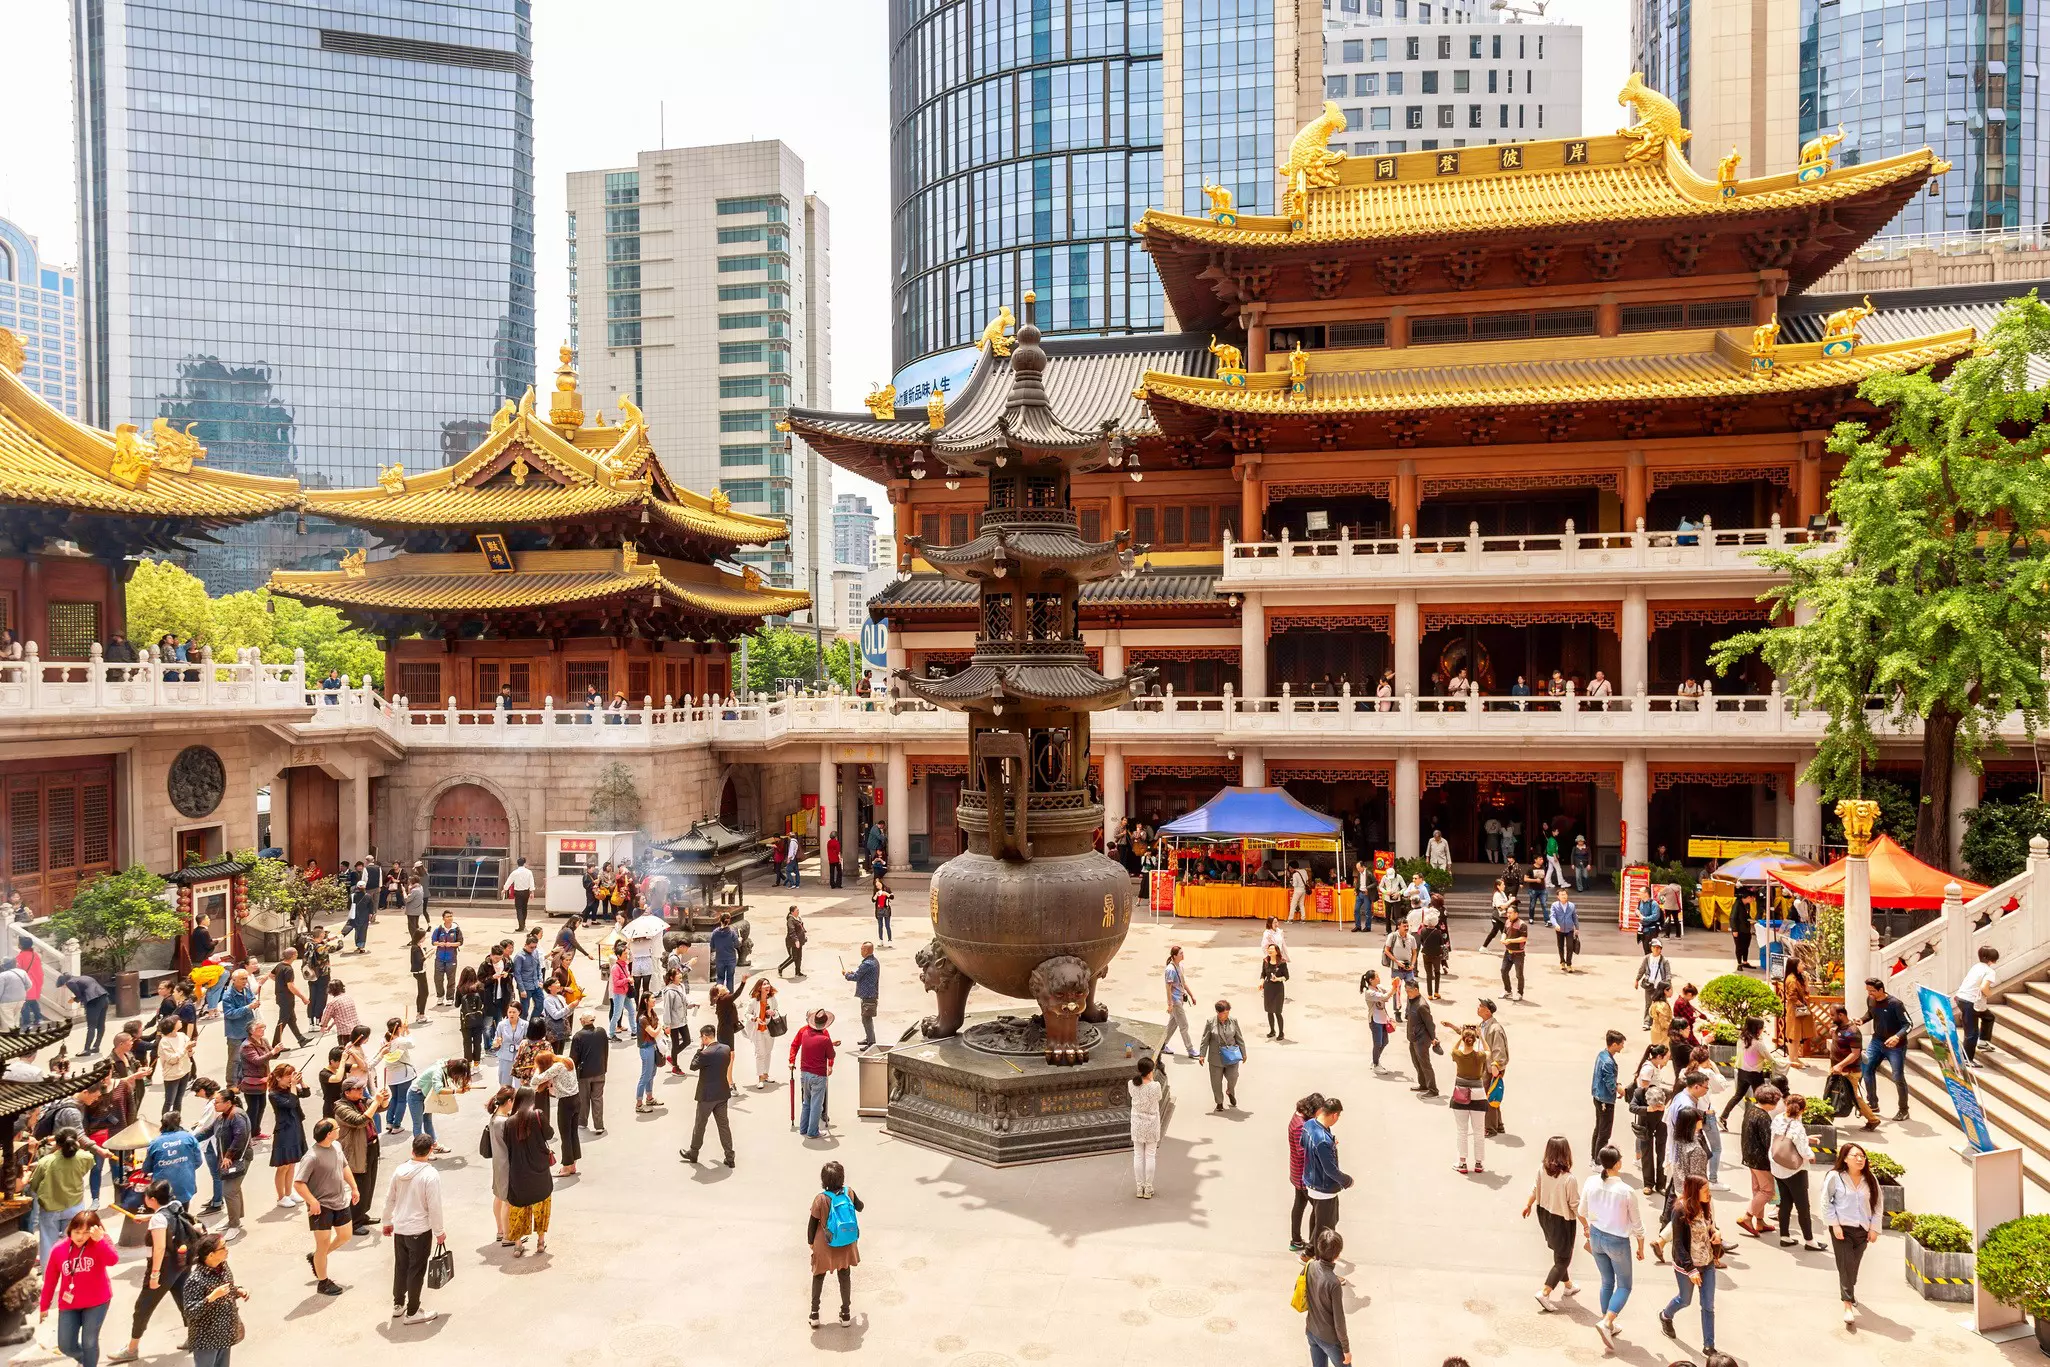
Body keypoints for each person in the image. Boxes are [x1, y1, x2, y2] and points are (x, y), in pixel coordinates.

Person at [1578, 1144, 1644, 1352]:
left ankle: (1607, 1322)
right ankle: (1607, 1322)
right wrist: (1641, 1246)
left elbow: (1581, 1211)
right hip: (1617, 1241)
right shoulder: (1626, 1191)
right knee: (1624, 1286)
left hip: (1596, 1236)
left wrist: (1588, 1228)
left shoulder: (1591, 1182)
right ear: (1617, 1164)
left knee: (1607, 1281)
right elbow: (1637, 1224)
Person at [380, 1132, 445, 1324]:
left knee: (401, 1267)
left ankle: (398, 1304)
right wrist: (439, 1231)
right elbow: (434, 1206)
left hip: (400, 1228)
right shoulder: (430, 1175)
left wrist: (386, 1221)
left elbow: (389, 1198)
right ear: (431, 1150)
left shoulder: (400, 1171)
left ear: (412, 1150)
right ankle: (413, 1310)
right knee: (416, 1270)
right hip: (419, 1229)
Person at [40, 1209, 118, 1367]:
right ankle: (87, 1360)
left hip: (97, 1301)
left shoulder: (100, 1242)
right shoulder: (59, 1249)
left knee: (89, 1342)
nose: (81, 1237)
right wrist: (44, 1305)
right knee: (66, 1345)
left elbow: (112, 1260)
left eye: (86, 1232)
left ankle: (90, 1362)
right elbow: (50, 1280)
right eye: (77, 1232)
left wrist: (101, 1240)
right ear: (70, 1230)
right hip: (70, 1303)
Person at [1824, 1140, 1884, 1328]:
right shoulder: (1835, 1177)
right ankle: (1847, 1304)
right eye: (1855, 1156)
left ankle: (1849, 1289)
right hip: (1842, 1229)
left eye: (1862, 1156)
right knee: (1845, 1264)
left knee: (1853, 1266)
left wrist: (1874, 1228)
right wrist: (1835, 1225)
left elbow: (1878, 1204)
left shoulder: (1870, 1179)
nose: (1860, 1159)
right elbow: (1826, 1202)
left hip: (1862, 1229)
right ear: (1845, 1158)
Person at [294, 1118, 355, 1296]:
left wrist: (354, 1187)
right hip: (321, 1207)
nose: (339, 1129)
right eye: (336, 1128)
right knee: (323, 1244)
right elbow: (299, 1184)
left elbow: (344, 1167)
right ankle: (323, 1282)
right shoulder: (311, 1157)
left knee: (345, 1235)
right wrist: (312, 1201)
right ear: (328, 1134)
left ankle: (316, 1258)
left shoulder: (336, 1147)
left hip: (340, 1201)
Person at [1660, 1174, 1720, 1355]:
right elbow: (1678, 1244)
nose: (1709, 1194)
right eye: (1705, 1191)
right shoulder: (1680, 1210)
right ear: (1694, 1192)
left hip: (1707, 1263)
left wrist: (1716, 1232)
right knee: (1685, 1300)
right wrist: (1691, 1269)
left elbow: (1711, 1226)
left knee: (1708, 1305)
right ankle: (1665, 1315)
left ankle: (1709, 1345)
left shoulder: (1706, 1206)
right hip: (1688, 1266)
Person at [1524, 1135, 1581, 1311]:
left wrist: (1528, 1205)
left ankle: (1569, 1285)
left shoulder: (1542, 1169)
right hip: (1563, 1220)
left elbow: (1535, 1188)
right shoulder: (1569, 1179)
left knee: (1559, 1251)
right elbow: (1575, 1205)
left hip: (1544, 1214)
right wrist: (1587, 1225)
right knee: (1564, 1258)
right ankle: (1545, 1292)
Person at [808, 1160, 863, 1328]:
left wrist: (811, 1243)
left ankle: (814, 1314)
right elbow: (860, 1207)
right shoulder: (849, 1192)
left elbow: (812, 1225)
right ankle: (845, 1314)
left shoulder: (820, 1199)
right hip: (846, 1244)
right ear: (842, 1178)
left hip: (825, 1244)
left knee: (818, 1276)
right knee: (844, 1276)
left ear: (823, 1180)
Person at [501, 1086, 554, 1257]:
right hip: (539, 1169)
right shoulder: (537, 1115)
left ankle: (518, 1245)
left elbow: (507, 1146)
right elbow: (549, 1134)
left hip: (518, 1171)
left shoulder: (509, 1122)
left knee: (518, 1208)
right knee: (542, 1205)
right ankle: (540, 1242)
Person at [333, 1077, 389, 1234]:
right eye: (357, 1089)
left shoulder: (362, 1101)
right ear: (347, 1092)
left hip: (370, 1147)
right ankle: (353, 1222)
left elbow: (381, 1108)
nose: (361, 1091)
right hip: (356, 1152)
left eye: (361, 1089)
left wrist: (383, 1099)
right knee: (359, 1186)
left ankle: (362, 1214)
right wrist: (376, 1102)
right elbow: (359, 1121)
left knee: (369, 1184)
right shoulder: (341, 1107)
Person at [1770, 1094, 1824, 1249]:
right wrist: (1811, 1155)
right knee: (1803, 1207)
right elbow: (1804, 1151)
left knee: (1784, 1203)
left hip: (1777, 1167)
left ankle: (1785, 1236)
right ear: (1803, 1110)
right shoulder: (1797, 1126)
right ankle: (1809, 1241)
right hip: (1794, 1171)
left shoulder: (1778, 1119)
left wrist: (1806, 1138)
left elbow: (1783, 1139)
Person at [681, 1023, 737, 1166]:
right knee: (724, 1125)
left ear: (705, 1037)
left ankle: (693, 1153)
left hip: (706, 1096)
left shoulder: (706, 1053)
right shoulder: (726, 1049)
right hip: (722, 1093)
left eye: (701, 1037)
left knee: (700, 1125)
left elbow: (693, 1066)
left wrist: (699, 1049)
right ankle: (730, 1157)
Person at [1299, 1098, 1352, 1248]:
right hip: (1324, 1187)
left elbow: (1303, 1144)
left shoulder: (1309, 1125)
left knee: (1317, 1218)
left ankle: (1310, 1250)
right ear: (1334, 1115)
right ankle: (1315, 1254)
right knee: (1326, 1226)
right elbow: (1330, 1170)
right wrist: (1347, 1180)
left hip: (1311, 1181)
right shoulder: (1323, 1139)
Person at [1858, 977, 1913, 1121]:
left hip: (1896, 1047)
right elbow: (1870, 1013)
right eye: (1868, 991)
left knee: (1897, 1077)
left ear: (1881, 990)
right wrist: (1862, 1020)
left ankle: (1903, 1110)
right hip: (1877, 1041)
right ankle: (1873, 1103)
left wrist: (1897, 1037)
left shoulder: (1896, 1004)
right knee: (1866, 1068)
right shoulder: (1871, 1000)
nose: (1869, 994)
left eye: (1872, 991)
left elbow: (1908, 1025)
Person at [1825, 1004, 1884, 1129]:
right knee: (1835, 1093)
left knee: (1852, 1096)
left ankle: (1873, 1120)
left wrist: (1840, 1065)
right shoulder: (1840, 1027)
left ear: (1841, 1015)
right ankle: (1827, 1118)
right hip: (1837, 1069)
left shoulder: (1852, 1032)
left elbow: (1855, 1053)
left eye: (1832, 1015)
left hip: (1849, 1071)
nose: (1831, 1018)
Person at [1735, 1083, 1781, 1238]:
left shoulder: (1751, 1110)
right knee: (1767, 1191)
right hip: (1760, 1159)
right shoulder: (1763, 1117)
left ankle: (1759, 1222)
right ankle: (1747, 1217)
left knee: (1757, 1189)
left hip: (1749, 1156)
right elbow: (1769, 1142)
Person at [1303, 1228, 1351, 1367]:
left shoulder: (1310, 1266)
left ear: (1318, 1246)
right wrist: (1346, 1349)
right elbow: (1339, 1320)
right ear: (1337, 1255)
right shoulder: (1333, 1283)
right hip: (1329, 1340)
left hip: (1311, 1331)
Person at [1447, 1024, 1491, 1174]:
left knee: (1462, 1130)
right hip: (1478, 1093)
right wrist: (1481, 1036)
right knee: (1479, 1131)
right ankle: (1478, 1163)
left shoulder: (1458, 1055)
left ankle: (1462, 1162)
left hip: (1461, 1092)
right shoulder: (1479, 1056)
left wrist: (1460, 1038)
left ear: (1464, 1040)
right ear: (1473, 1040)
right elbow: (1488, 1051)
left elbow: (1453, 1050)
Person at [265, 1063, 311, 1209]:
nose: (291, 1078)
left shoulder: (290, 1088)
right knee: (283, 1166)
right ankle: (281, 1196)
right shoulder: (274, 1094)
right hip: (284, 1130)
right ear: (278, 1077)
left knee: (292, 1163)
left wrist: (301, 1082)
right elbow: (290, 1103)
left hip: (296, 1125)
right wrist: (293, 1086)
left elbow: (306, 1093)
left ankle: (289, 1192)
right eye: (288, 1076)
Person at [143, 1111, 205, 1208]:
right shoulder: (189, 1137)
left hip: (162, 1191)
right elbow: (198, 1161)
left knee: (165, 1217)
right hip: (185, 1186)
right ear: (179, 1122)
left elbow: (146, 1169)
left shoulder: (155, 1143)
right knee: (183, 1217)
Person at [793, 1009, 836, 1138]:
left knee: (806, 1102)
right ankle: (812, 1131)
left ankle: (803, 1128)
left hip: (805, 1073)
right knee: (816, 1104)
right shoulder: (824, 1039)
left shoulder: (805, 1034)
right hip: (818, 1074)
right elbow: (831, 1054)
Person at [1197, 999, 1246, 1111]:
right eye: (1224, 1013)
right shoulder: (1210, 1022)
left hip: (1231, 1056)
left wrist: (1244, 1053)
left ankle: (1230, 1091)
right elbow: (1205, 1039)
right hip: (1216, 1057)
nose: (1226, 1015)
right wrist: (1202, 1055)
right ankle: (1219, 1102)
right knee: (1216, 1082)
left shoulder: (1233, 1021)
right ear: (1218, 1012)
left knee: (1233, 1076)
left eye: (1228, 1012)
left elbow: (1239, 1037)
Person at [1955, 944, 2001, 1062]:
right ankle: (1967, 1059)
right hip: (1971, 1002)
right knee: (1972, 1032)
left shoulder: (1976, 966)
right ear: (1993, 959)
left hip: (1962, 998)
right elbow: (1984, 988)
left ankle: (1983, 1042)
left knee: (1989, 1017)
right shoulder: (1989, 971)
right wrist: (1989, 994)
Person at [568, 1012, 609, 1135]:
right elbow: (605, 1050)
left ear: (583, 1021)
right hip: (599, 1070)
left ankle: (582, 1122)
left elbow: (573, 1058)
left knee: (583, 1098)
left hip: (584, 1073)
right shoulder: (601, 1032)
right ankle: (599, 1125)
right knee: (597, 1098)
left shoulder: (578, 1036)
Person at [1591, 1030, 1626, 1158]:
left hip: (1598, 1097)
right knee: (1604, 1133)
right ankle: (1599, 1161)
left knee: (1599, 1129)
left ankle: (1594, 1157)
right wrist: (1619, 1088)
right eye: (1621, 1043)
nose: (1623, 1046)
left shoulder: (1602, 1055)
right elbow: (1610, 1082)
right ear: (1614, 1044)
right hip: (1605, 1100)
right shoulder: (1608, 1062)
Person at [1405, 981, 1441, 1096]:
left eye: (1409, 991)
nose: (1407, 993)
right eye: (1406, 991)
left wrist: (1433, 1037)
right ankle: (1423, 1084)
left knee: (1425, 1064)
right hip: (1413, 1038)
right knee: (1417, 1062)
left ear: (1416, 990)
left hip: (1421, 1039)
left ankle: (1433, 1090)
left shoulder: (1422, 1005)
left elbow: (1430, 1023)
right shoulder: (1411, 1000)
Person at [1163, 946, 1196, 1056]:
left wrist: (1191, 995)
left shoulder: (1180, 966)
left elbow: (1183, 983)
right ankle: (1190, 1049)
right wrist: (1170, 1004)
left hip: (1180, 999)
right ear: (1174, 956)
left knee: (1173, 1024)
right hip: (1175, 1001)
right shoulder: (1170, 970)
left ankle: (1162, 1044)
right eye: (1181, 953)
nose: (1183, 955)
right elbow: (1168, 988)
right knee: (1184, 1025)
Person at [634, 994, 664, 1114]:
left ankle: (649, 1098)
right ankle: (639, 1103)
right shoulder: (643, 1018)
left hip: (653, 1046)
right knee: (645, 1075)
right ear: (646, 1001)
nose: (654, 1000)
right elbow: (653, 1033)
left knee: (652, 1073)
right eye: (652, 998)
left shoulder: (653, 1013)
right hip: (646, 1048)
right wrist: (660, 1028)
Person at [1634, 939, 1673, 1026]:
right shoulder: (1647, 958)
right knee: (1648, 1004)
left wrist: (1669, 986)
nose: (1657, 949)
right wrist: (1637, 980)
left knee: (1661, 1004)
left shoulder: (1664, 961)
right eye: (1655, 947)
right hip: (1649, 985)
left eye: (1659, 948)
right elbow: (1642, 970)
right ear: (1651, 948)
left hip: (1660, 987)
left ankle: (1660, 1022)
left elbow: (1668, 974)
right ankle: (1647, 1022)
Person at [1360, 971, 1393, 1071]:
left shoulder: (1378, 987)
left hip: (1382, 1019)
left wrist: (1395, 985)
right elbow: (1385, 996)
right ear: (1371, 980)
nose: (1379, 978)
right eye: (1377, 977)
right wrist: (1393, 989)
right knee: (1378, 1043)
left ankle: (1375, 1059)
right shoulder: (1369, 992)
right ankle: (1376, 1064)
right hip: (1375, 1020)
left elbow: (1389, 991)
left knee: (1385, 1041)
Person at [1259, 944, 1290, 1040]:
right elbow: (1263, 974)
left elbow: (1286, 977)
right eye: (1269, 949)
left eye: (1272, 949)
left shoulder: (1282, 963)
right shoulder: (1265, 961)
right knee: (1269, 1011)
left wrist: (1278, 979)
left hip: (1278, 989)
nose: (1270, 951)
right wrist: (1261, 982)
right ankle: (1272, 1030)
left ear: (1277, 951)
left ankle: (1281, 1032)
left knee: (1277, 1011)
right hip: (1268, 988)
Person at [1547, 887, 1579, 972]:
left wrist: (1577, 928)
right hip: (1559, 929)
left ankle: (1569, 964)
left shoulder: (1572, 905)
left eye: (1565, 894)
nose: (1564, 896)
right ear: (1558, 896)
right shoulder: (1555, 905)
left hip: (1569, 929)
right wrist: (1555, 924)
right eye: (1562, 895)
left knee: (1570, 946)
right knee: (1560, 946)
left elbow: (1575, 917)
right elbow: (1552, 916)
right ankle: (1562, 962)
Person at [709, 913, 740, 992]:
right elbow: (737, 944)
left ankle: (719, 996)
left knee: (720, 978)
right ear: (729, 921)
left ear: (720, 920)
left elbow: (712, 946)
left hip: (720, 958)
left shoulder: (715, 932)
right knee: (730, 978)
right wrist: (740, 939)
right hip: (731, 959)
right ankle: (729, 998)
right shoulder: (732, 933)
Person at [503, 856, 535, 932]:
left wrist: (505, 889)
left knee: (519, 909)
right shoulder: (529, 872)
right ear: (524, 863)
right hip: (526, 892)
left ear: (517, 864)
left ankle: (521, 926)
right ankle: (523, 923)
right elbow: (531, 882)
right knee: (524, 908)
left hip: (518, 893)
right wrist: (532, 892)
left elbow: (509, 881)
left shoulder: (514, 873)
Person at [778, 905, 808, 979]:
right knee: (793, 957)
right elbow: (792, 931)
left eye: (798, 910)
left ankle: (798, 972)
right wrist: (796, 940)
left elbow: (801, 927)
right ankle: (780, 967)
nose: (798, 911)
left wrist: (804, 936)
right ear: (792, 912)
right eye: (797, 910)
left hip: (800, 941)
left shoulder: (798, 918)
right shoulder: (790, 920)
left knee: (799, 957)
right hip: (792, 942)